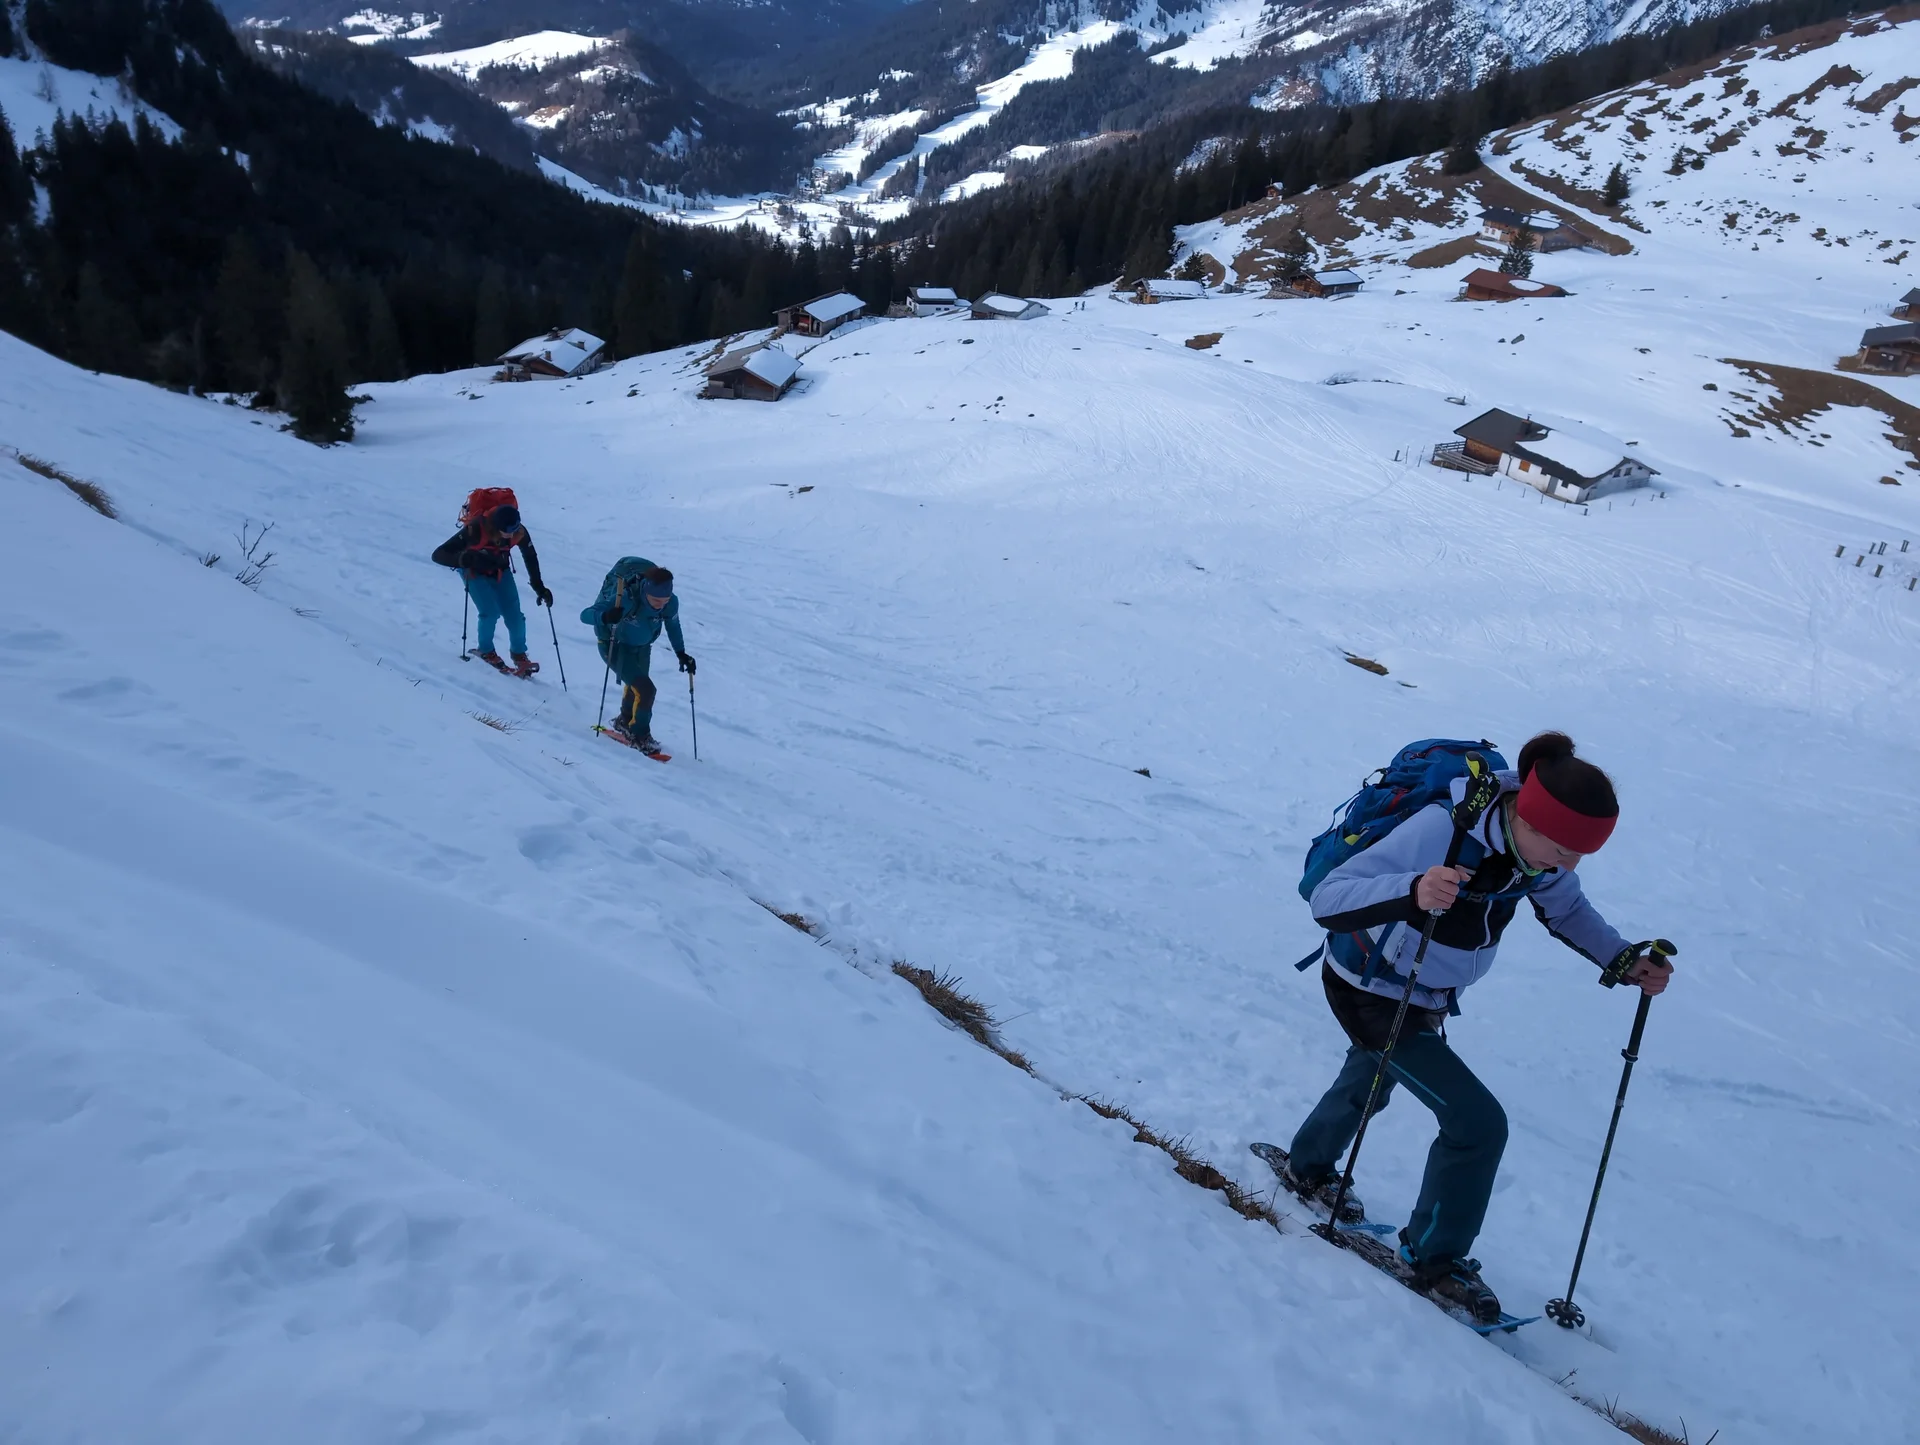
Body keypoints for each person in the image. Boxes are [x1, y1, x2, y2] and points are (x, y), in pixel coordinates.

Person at [1281, 732, 1673, 1322]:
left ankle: (1306, 1166)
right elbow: (1330, 897)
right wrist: (1412, 890)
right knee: (1476, 1123)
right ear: (1528, 818)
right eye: (1563, 849)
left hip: (1426, 991)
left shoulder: (1532, 853)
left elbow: (1566, 908)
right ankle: (1433, 1257)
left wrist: (1623, 959)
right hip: (1369, 985)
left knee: (1372, 1075)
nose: (1568, 864)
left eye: (1580, 855)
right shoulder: (1443, 828)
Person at [582, 559, 694, 756]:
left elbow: (673, 627)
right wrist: (606, 616)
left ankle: (624, 721)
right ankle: (639, 735)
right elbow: (585, 615)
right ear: (645, 592)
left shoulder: (670, 603)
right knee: (646, 689)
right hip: (613, 646)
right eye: (656, 601)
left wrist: (681, 653)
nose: (660, 606)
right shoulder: (626, 598)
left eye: (665, 601)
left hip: (642, 647)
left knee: (637, 688)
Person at [432, 503, 553, 676]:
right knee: (489, 612)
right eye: (507, 531)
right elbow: (438, 555)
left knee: (515, 616)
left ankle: (519, 655)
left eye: (514, 529)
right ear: (496, 526)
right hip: (473, 572)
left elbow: (530, 556)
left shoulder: (518, 531)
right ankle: (486, 650)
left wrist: (539, 587)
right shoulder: (475, 528)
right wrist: (464, 559)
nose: (511, 534)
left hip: (500, 570)